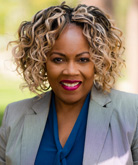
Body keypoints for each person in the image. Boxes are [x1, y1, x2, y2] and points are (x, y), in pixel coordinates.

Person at [0, 2, 138, 165]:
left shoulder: (132, 111)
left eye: (83, 60)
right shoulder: (15, 115)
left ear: (99, 62)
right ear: (42, 62)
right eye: (58, 59)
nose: (70, 71)